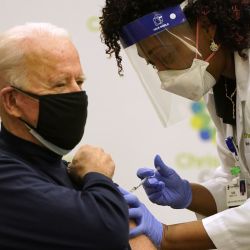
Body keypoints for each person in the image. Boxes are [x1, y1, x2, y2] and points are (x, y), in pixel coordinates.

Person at [100, 0, 250, 249]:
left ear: (208, 28)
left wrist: (168, 235)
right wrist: (190, 194)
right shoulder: (224, 91)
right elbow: (239, 183)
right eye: (152, 64)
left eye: (165, 57)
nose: (163, 77)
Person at [0, 22, 132, 250]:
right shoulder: (6, 175)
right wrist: (98, 176)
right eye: (60, 84)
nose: (77, 95)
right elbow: (109, 232)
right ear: (12, 101)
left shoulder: (61, 167)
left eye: (79, 82)